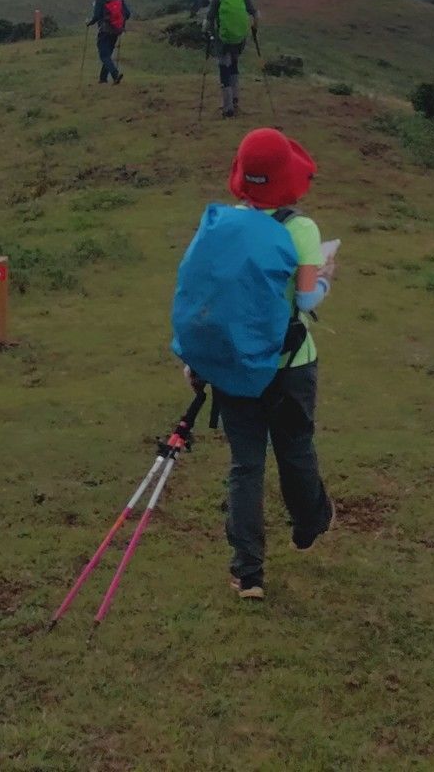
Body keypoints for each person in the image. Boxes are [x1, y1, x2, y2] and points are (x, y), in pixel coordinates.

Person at [172, 128, 335, 602]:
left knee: (246, 465)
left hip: (236, 364)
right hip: (290, 364)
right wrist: (326, 277)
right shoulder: (301, 229)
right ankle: (308, 526)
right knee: (296, 450)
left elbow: (205, 294)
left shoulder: (225, 224)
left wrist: (199, 360)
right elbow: (306, 297)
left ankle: (248, 573)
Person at [206, 0, 257, 118]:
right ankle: (235, 100)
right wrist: (254, 29)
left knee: (224, 69)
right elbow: (254, 13)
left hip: (223, 40)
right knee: (234, 66)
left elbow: (209, 20)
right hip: (239, 40)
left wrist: (209, 34)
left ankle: (227, 108)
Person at [86, 0, 132, 85]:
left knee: (103, 55)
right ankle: (102, 79)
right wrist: (120, 24)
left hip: (104, 30)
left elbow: (96, 16)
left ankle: (115, 74)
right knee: (108, 55)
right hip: (116, 30)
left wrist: (89, 23)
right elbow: (127, 13)